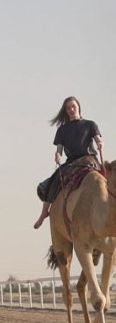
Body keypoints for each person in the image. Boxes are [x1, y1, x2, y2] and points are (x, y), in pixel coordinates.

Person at [33, 96, 104, 229]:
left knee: (107, 179)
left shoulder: (90, 125)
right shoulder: (62, 130)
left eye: (73, 106)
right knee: (54, 181)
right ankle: (43, 213)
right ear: (65, 111)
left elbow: (98, 139)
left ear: (78, 107)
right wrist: (58, 155)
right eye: (68, 108)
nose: (71, 109)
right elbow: (59, 149)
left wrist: (100, 143)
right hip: (72, 162)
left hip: (89, 160)